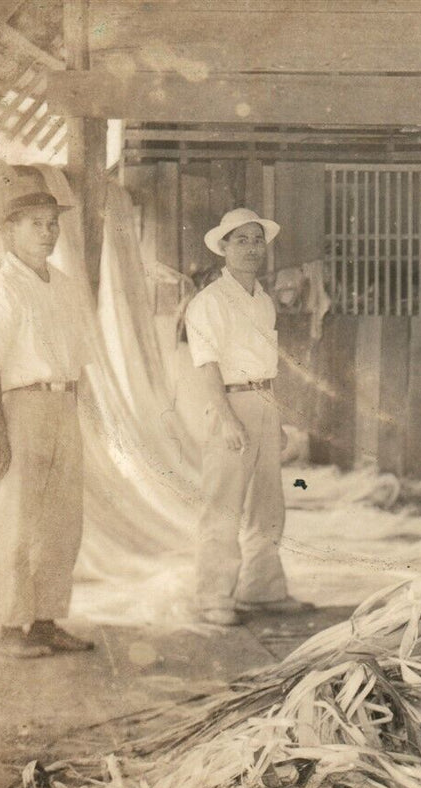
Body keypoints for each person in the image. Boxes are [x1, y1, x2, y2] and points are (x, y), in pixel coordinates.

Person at [0, 189, 95, 658]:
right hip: (22, 408)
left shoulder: (62, 286)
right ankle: (8, 628)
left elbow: (76, 361)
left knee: (63, 523)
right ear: (10, 229)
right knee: (20, 521)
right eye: (35, 224)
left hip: (63, 406)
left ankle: (44, 622)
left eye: (52, 223)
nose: (47, 233)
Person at [184, 208, 314, 626]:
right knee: (223, 504)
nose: (252, 248)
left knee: (267, 503)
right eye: (241, 240)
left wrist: (273, 419)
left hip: (263, 401)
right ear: (223, 247)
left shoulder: (262, 300)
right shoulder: (209, 303)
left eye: (257, 240)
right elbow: (207, 367)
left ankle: (262, 589)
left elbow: (265, 365)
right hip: (228, 404)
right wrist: (227, 419)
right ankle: (211, 597)